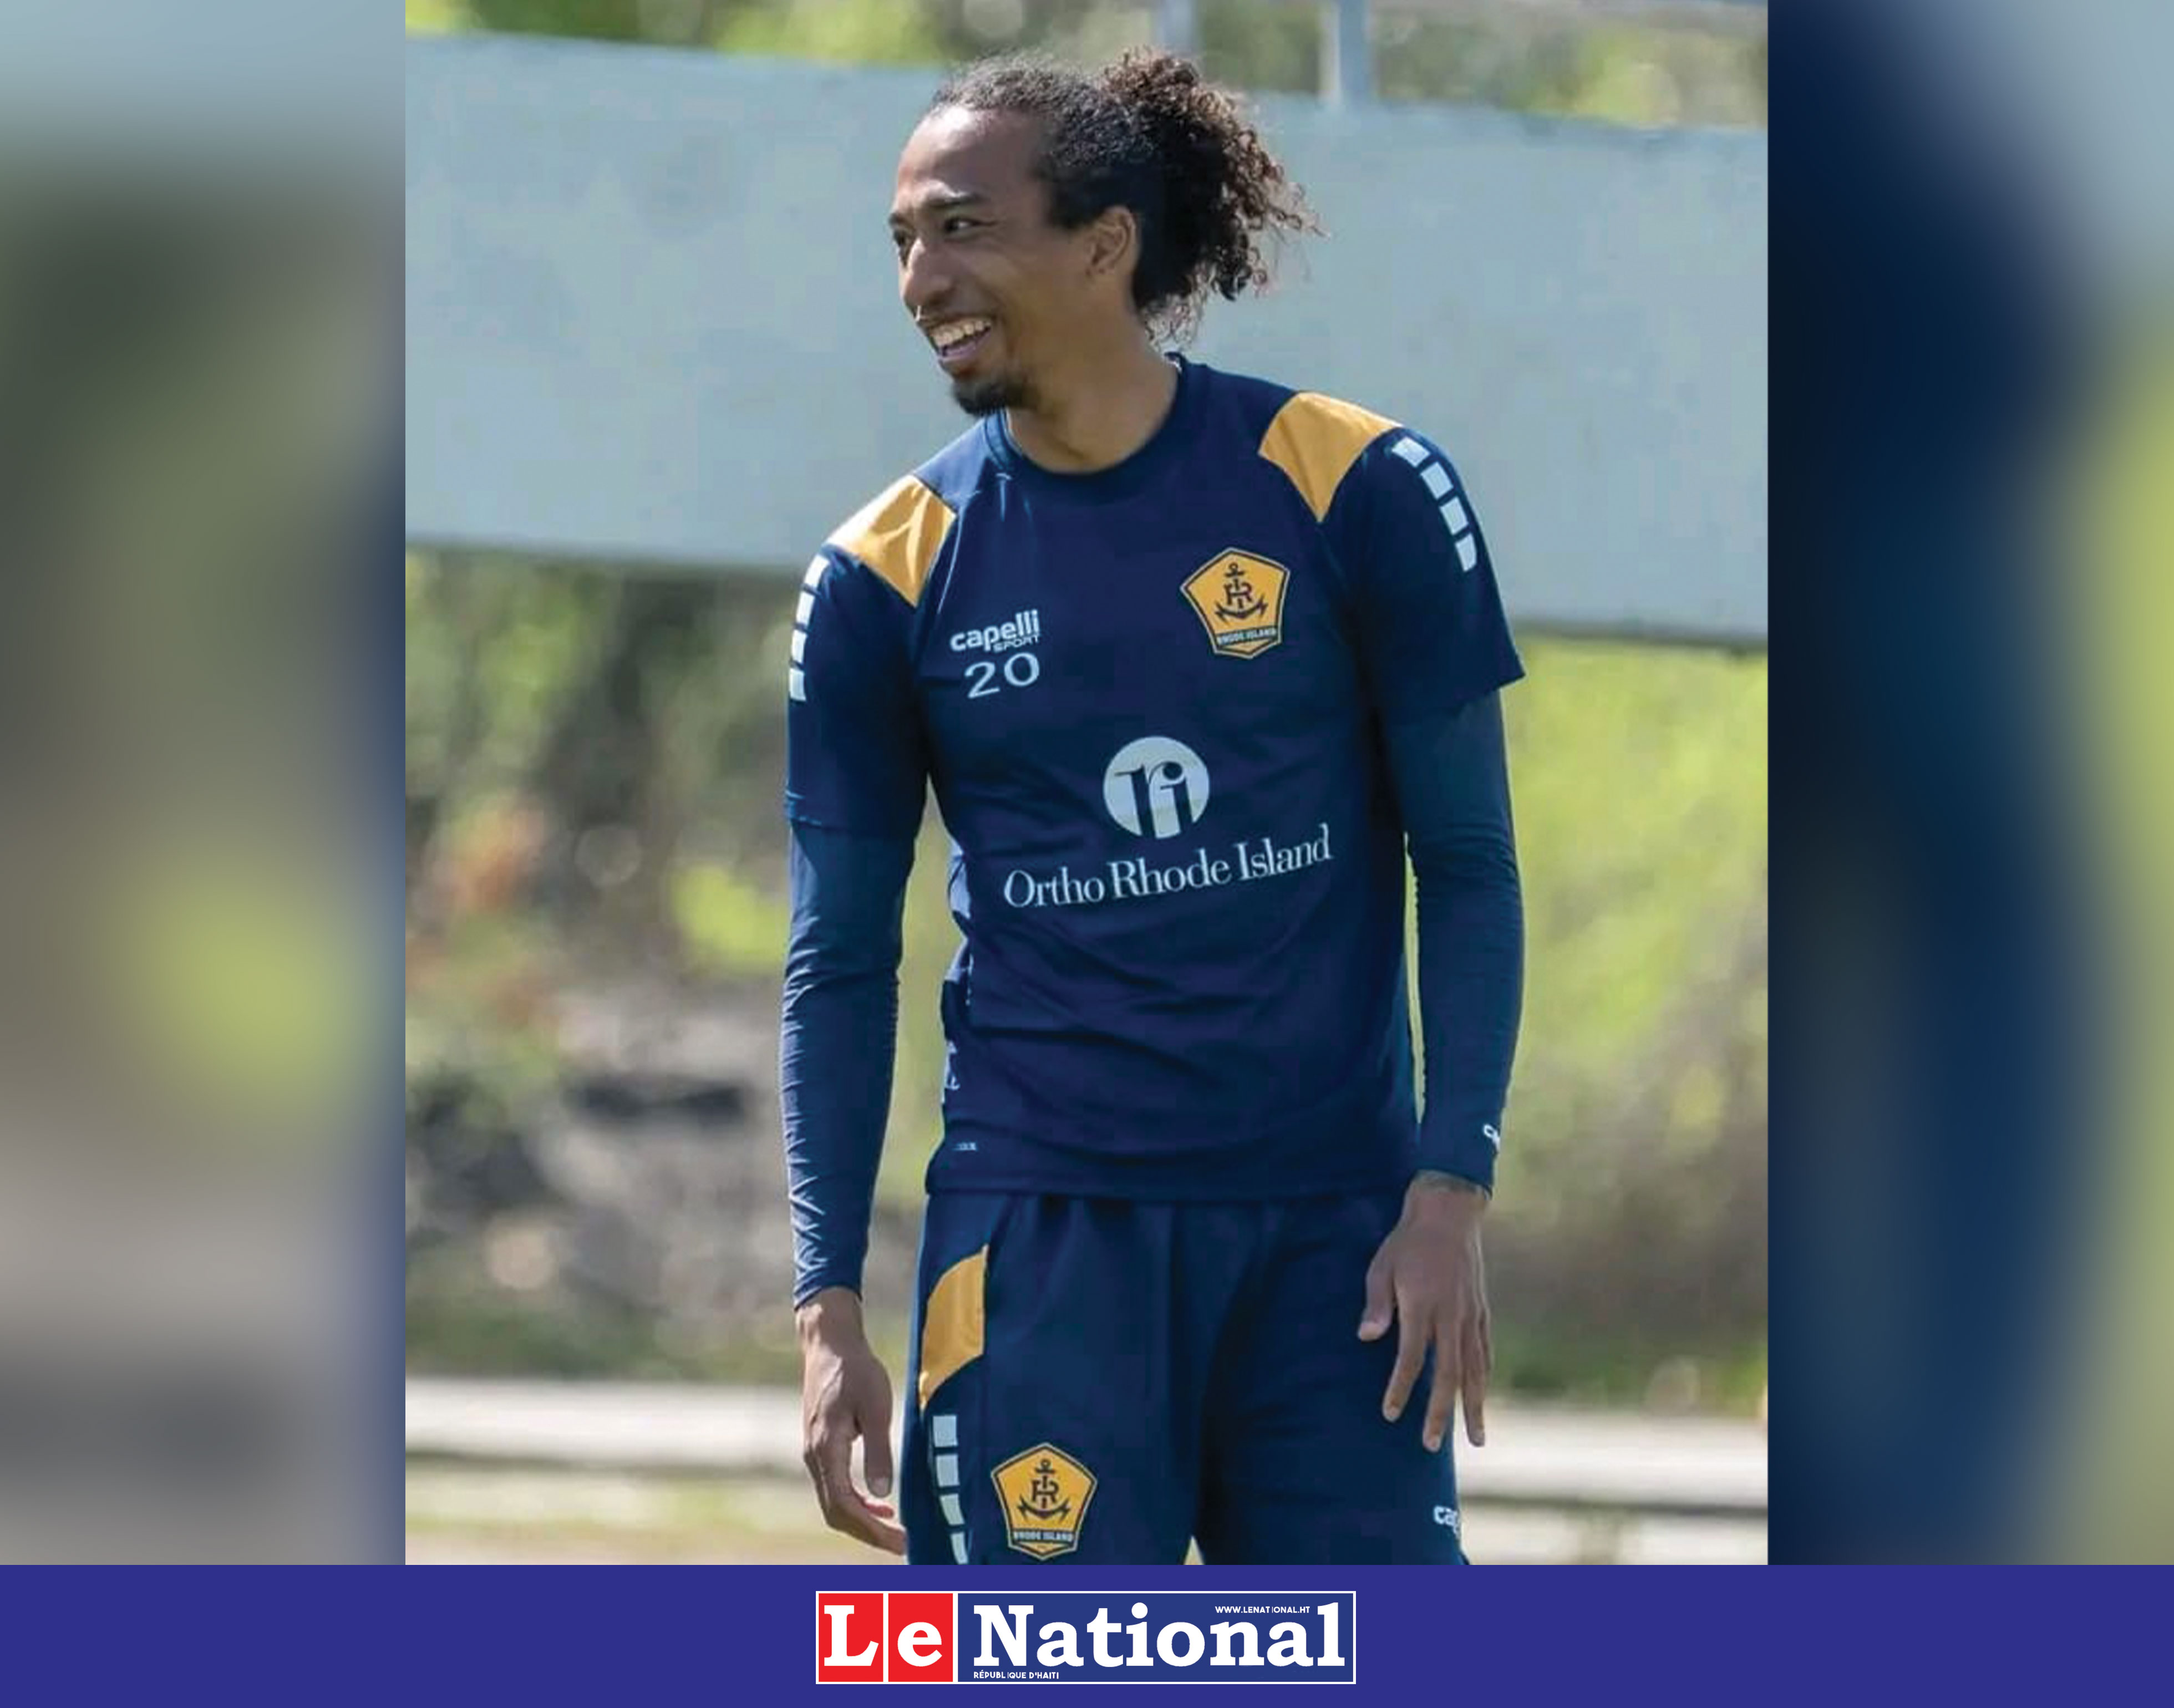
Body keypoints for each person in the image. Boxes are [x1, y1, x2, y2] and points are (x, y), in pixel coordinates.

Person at [780, 47, 1525, 1566]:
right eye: (903, 241)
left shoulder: (1356, 488)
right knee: (1029, 1669)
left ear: (1105, 245)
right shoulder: (881, 577)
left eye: (963, 229)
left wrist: (1449, 1189)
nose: (922, 280)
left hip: (1339, 1243)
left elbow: (1466, 863)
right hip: (1040, 1243)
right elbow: (838, 962)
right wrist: (826, 1299)